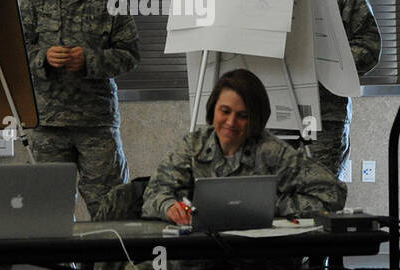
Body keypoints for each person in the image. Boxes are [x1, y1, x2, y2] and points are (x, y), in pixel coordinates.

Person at [20, 0, 140, 220]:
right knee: (50, 212)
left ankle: (108, 268)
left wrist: (89, 60)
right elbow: (18, 54)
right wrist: (44, 58)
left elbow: (130, 54)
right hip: (48, 123)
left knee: (112, 208)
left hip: (96, 122)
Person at [142, 67, 346, 223]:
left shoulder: (273, 152)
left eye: (242, 116)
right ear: (213, 110)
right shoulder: (193, 146)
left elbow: (334, 194)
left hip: (260, 261)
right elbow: (153, 193)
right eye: (225, 111)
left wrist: (273, 206)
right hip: (200, 252)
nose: (231, 123)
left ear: (255, 119)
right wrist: (168, 206)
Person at [311, 0, 383, 179]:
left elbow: (370, 46)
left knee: (321, 196)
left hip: (324, 118)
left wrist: (323, 63)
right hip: (269, 119)